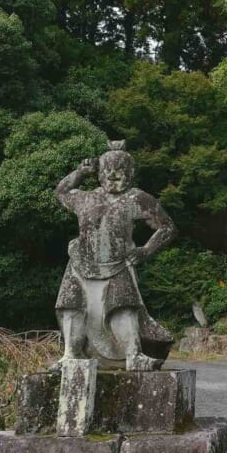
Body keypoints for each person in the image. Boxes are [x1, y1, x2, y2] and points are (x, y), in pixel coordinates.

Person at [53, 141, 176, 371]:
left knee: (124, 306)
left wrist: (145, 250)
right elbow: (61, 192)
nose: (112, 178)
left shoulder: (136, 199)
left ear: (129, 175)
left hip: (118, 264)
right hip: (81, 262)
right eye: (107, 173)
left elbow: (167, 227)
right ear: (99, 174)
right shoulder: (86, 198)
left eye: (119, 174)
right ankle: (71, 353)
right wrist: (80, 172)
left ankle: (134, 354)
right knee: (72, 305)